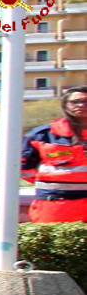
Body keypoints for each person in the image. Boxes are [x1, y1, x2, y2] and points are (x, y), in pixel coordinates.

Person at [22, 86, 87, 223]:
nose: (81, 105)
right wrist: (52, 181)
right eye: (75, 101)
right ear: (65, 105)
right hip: (55, 205)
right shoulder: (42, 135)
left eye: (86, 101)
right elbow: (23, 167)